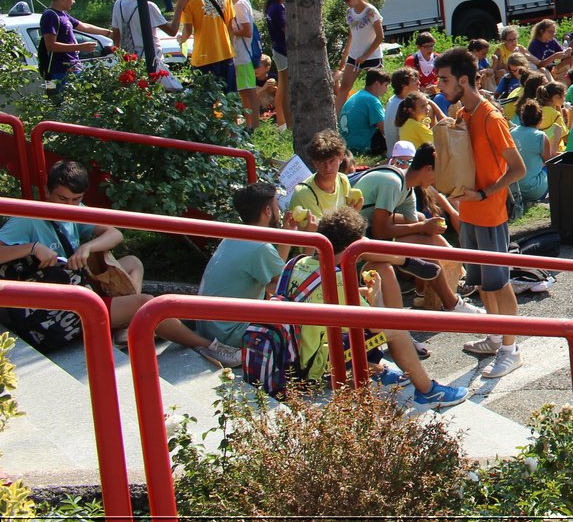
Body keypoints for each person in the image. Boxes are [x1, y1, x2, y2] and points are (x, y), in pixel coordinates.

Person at [0, 160, 241, 366]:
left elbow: (115, 234)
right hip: (51, 310)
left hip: (73, 285)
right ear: (47, 191)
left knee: (132, 262)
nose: (70, 207)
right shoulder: (26, 220)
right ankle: (207, 346)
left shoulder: (74, 209)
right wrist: (32, 248)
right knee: (147, 305)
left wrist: (87, 247)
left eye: (77, 199)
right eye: (63, 199)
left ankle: (126, 327)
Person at [293, 208, 468, 409]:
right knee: (396, 329)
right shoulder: (338, 279)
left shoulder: (300, 262)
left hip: (297, 348)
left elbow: (323, 297)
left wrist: (362, 292)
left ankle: (375, 368)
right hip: (316, 360)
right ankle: (428, 391)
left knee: (382, 303)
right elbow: (377, 327)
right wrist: (375, 296)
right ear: (354, 245)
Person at [436, 45, 526, 378]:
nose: (440, 86)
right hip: (470, 212)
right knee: (484, 285)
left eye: (444, 80)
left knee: (500, 284)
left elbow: (517, 169)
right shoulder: (463, 114)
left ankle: (510, 349)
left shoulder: (491, 116)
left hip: (489, 213)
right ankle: (493, 337)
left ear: (463, 79)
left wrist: (485, 192)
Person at [353, 142, 476, 313]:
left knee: (422, 230)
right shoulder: (393, 183)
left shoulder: (406, 187)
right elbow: (380, 232)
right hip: (355, 238)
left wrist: (425, 227)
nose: (438, 181)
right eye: (438, 174)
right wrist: (422, 227)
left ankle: (449, 274)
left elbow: (416, 228)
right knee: (422, 241)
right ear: (427, 169)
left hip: (367, 229)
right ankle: (452, 302)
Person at [197, 182, 307, 347]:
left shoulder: (232, 236)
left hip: (210, 328)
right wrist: (310, 242)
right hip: (229, 333)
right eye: (277, 205)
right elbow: (288, 283)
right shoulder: (260, 247)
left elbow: (275, 279)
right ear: (267, 211)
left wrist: (288, 234)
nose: (280, 211)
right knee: (302, 306)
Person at [39, 0, 113, 89]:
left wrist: (109, 33)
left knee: (79, 100)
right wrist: (80, 47)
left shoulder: (62, 14)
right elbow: (50, 45)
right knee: (60, 102)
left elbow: (83, 26)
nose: (74, 1)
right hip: (58, 71)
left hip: (73, 67)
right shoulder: (50, 16)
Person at [288, 130, 363, 222]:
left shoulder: (343, 180)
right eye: (321, 162)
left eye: (331, 161)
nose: (327, 167)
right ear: (314, 163)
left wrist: (353, 213)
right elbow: (323, 232)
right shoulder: (304, 193)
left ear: (341, 157)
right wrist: (351, 215)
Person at [216, 0, 260, 128]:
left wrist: (231, 30)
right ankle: (248, 125)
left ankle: (254, 126)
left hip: (243, 55)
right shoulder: (241, 2)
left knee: (249, 91)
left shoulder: (239, 5)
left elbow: (247, 31)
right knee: (243, 92)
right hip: (239, 55)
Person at [109, 0, 176, 67]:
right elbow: (172, 31)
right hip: (150, 59)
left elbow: (116, 35)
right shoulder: (149, 6)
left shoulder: (118, 4)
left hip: (129, 59)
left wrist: (119, 57)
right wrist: (178, 9)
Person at [333, 0, 384, 103]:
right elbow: (351, 35)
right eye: (344, 1)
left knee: (374, 91)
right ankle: (338, 118)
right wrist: (344, 57)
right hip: (354, 56)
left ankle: (377, 118)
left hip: (372, 56)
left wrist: (365, 56)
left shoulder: (371, 11)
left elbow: (380, 37)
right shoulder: (349, 12)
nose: (346, 3)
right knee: (344, 87)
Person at [509, 98, 557, 203]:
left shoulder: (511, 132)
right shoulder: (541, 136)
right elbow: (549, 162)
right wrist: (557, 137)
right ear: (540, 120)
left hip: (513, 188)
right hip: (533, 191)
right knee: (554, 169)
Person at [339, 68, 390, 157]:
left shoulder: (358, 95)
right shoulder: (372, 100)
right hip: (362, 145)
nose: (387, 89)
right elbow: (385, 129)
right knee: (394, 131)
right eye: (385, 85)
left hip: (347, 143)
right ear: (377, 84)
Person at [264, 0, 290, 128]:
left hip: (279, 49)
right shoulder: (277, 8)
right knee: (284, 87)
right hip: (282, 50)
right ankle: (282, 122)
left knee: (283, 86)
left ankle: (283, 121)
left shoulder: (274, 5)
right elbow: (285, 29)